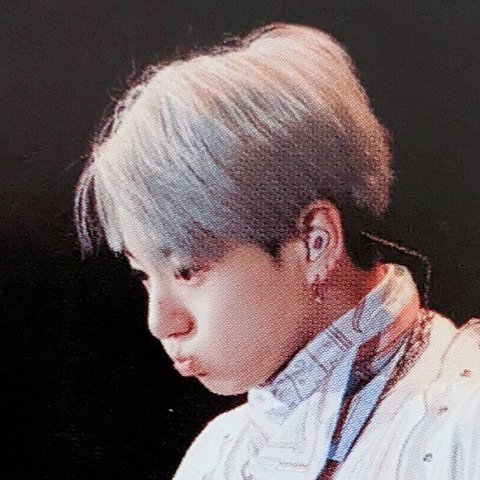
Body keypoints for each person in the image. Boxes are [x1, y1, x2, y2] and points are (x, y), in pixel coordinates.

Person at [74, 22, 480, 479]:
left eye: (187, 270)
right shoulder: (217, 455)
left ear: (316, 243)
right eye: (146, 276)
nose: (162, 322)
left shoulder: (465, 421)